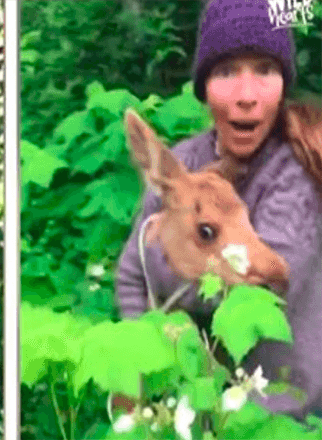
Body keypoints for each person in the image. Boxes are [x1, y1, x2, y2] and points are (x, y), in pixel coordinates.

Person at [116, 0, 322, 419]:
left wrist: (167, 248)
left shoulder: (294, 172)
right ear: (204, 85)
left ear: (283, 82)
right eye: (226, 71)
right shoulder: (181, 163)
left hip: (285, 407)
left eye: (264, 70)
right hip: (193, 403)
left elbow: (262, 284)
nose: (246, 96)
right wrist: (147, 350)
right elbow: (128, 274)